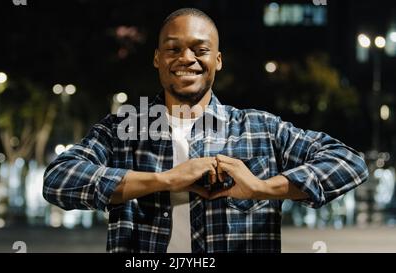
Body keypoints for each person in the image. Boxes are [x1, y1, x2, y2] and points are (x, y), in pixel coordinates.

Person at [43, 8, 369, 253]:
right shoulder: (121, 131)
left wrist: (264, 188)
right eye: (173, 49)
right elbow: (58, 180)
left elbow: (349, 162)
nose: (187, 58)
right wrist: (165, 180)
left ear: (218, 60)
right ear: (157, 58)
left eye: (200, 50)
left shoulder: (261, 129)